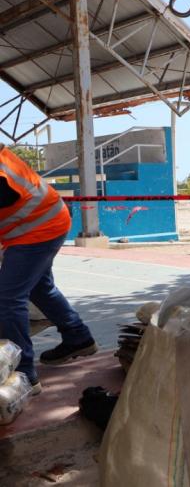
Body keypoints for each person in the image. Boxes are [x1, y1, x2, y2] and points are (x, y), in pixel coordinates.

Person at [0, 145, 97, 394]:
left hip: (37, 229)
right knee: (39, 288)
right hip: (44, 221)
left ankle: (23, 375)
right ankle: (77, 336)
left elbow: (6, 196)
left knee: (8, 298)